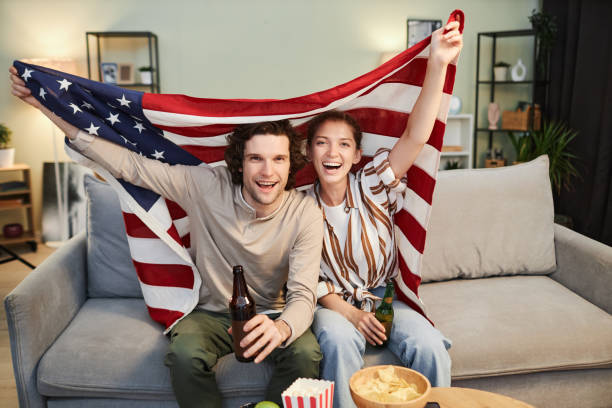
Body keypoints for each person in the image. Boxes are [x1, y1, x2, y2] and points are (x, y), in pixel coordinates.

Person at [9, 65, 324, 408]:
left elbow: (304, 294)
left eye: (278, 159)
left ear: (291, 164)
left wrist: (281, 329)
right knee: (184, 356)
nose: (267, 171)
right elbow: (130, 166)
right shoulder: (206, 186)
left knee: (306, 355)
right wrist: (48, 106)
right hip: (210, 313)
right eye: (256, 159)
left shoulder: (305, 212)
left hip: (273, 313)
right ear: (240, 163)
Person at [305, 21, 463, 407]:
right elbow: (306, 278)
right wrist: (352, 315)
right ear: (309, 153)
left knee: (428, 345)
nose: (332, 153)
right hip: (335, 304)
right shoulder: (299, 206)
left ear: (356, 155)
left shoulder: (373, 182)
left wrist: (438, 63)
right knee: (339, 342)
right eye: (322, 144)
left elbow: (415, 136)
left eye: (343, 145)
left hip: (386, 296)